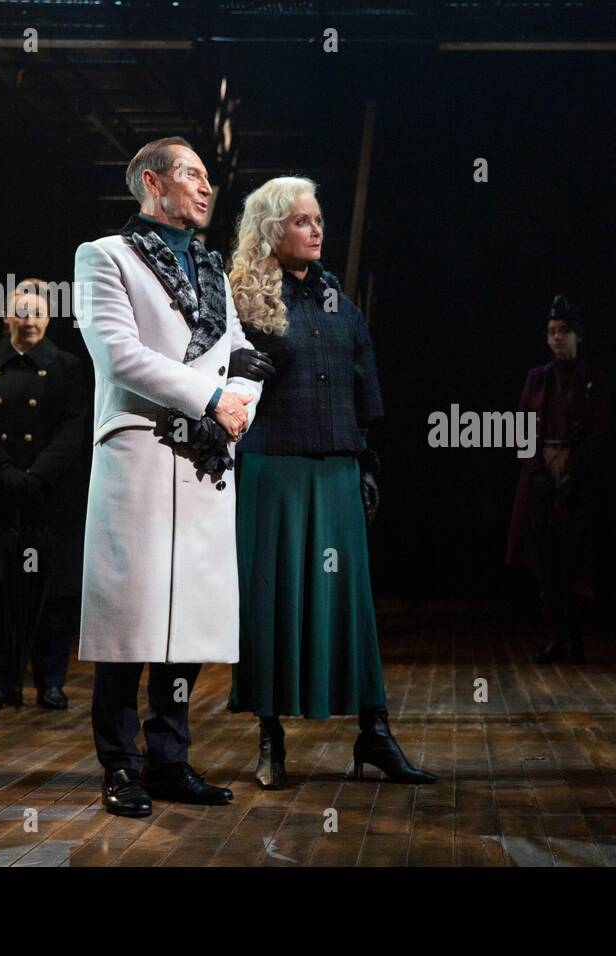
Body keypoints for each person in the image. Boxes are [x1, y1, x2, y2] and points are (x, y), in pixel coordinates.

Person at [74, 136, 263, 817]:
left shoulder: (212, 269)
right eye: (192, 175)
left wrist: (235, 409)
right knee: (132, 619)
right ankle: (120, 764)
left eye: (208, 177)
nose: (206, 187)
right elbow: (119, 354)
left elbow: (243, 355)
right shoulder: (104, 256)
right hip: (145, 451)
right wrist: (209, 398)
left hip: (207, 455)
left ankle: (169, 759)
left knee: (187, 620)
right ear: (153, 183)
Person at [225, 175, 435, 788]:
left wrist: (367, 461)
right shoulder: (242, 299)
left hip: (339, 467)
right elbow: (218, 375)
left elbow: (361, 377)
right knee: (273, 601)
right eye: (300, 221)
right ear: (271, 230)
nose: (316, 230)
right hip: (274, 468)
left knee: (351, 605)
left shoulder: (337, 297)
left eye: (318, 219)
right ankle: (271, 739)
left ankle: (375, 734)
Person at [0, 278, 89, 712]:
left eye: (38, 311)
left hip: (48, 497)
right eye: (21, 311)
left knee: (50, 594)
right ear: (6, 316)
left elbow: (75, 424)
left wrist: (39, 474)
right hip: (1, 495)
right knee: (0, 590)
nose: (30, 319)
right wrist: (4, 469)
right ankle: (2, 683)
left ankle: (51, 683)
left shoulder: (67, 366)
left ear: (49, 317)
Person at [506, 296, 610, 663]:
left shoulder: (593, 379)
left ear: (578, 336)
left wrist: (574, 472)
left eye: (564, 331)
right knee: (544, 559)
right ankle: (555, 635)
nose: (557, 338)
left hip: (575, 472)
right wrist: (536, 472)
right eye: (551, 332)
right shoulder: (538, 378)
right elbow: (521, 429)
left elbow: (600, 433)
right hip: (542, 472)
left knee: (574, 558)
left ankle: (574, 636)